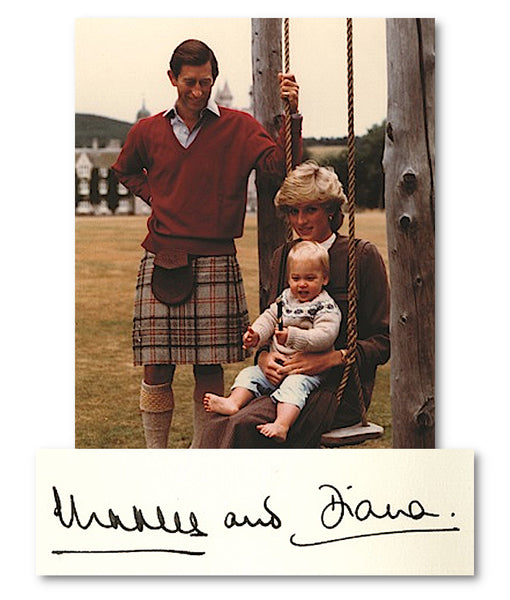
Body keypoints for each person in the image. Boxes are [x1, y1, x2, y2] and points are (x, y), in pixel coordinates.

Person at [111, 39, 302, 448]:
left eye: (206, 83)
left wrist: (292, 115)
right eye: (189, 83)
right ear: (172, 79)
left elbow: (278, 168)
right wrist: (156, 198)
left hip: (216, 256)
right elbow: (124, 170)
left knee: (209, 368)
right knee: (156, 367)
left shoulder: (238, 126)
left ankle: (205, 454)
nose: (198, 92)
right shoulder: (147, 130)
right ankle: (156, 457)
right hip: (162, 255)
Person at [198, 160, 390, 449]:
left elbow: (384, 341)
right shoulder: (284, 256)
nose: (301, 221)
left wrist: (331, 358)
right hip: (279, 381)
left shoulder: (360, 256)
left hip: (334, 389)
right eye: (293, 211)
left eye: (310, 209)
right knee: (218, 423)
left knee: (243, 425)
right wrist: (263, 358)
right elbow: (274, 319)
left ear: (330, 210)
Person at [203, 241, 341, 442]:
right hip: (276, 366)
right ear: (289, 279)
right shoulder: (286, 298)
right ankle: (233, 402)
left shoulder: (325, 306)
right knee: (249, 374)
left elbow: (325, 336)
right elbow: (269, 317)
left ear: (324, 278)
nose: (302, 284)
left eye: (310, 278)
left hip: (307, 370)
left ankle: (282, 424)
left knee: (294, 387)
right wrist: (256, 334)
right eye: (296, 278)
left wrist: (293, 336)